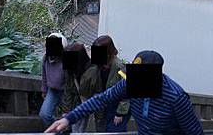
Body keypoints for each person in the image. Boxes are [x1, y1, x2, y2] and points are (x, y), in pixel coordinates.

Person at [44, 50, 204, 135]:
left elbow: (194, 132)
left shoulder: (176, 97)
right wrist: (69, 119)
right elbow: (101, 99)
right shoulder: (130, 83)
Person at [79, 35, 130, 132]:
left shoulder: (120, 68)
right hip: (102, 108)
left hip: (116, 108)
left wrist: (120, 113)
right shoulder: (96, 66)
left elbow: (127, 92)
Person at [60, 42, 91, 133]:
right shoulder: (71, 71)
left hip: (89, 104)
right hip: (78, 103)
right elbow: (68, 90)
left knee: (79, 129)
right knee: (76, 129)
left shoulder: (91, 71)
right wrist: (66, 111)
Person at [39, 33, 67, 127]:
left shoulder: (67, 57)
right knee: (44, 115)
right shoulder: (45, 58)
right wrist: (44, 90)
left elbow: (73, 77)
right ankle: (58, 128)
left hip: (66, 90)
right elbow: (44, 75)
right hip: (53, 90)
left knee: (68, 116)